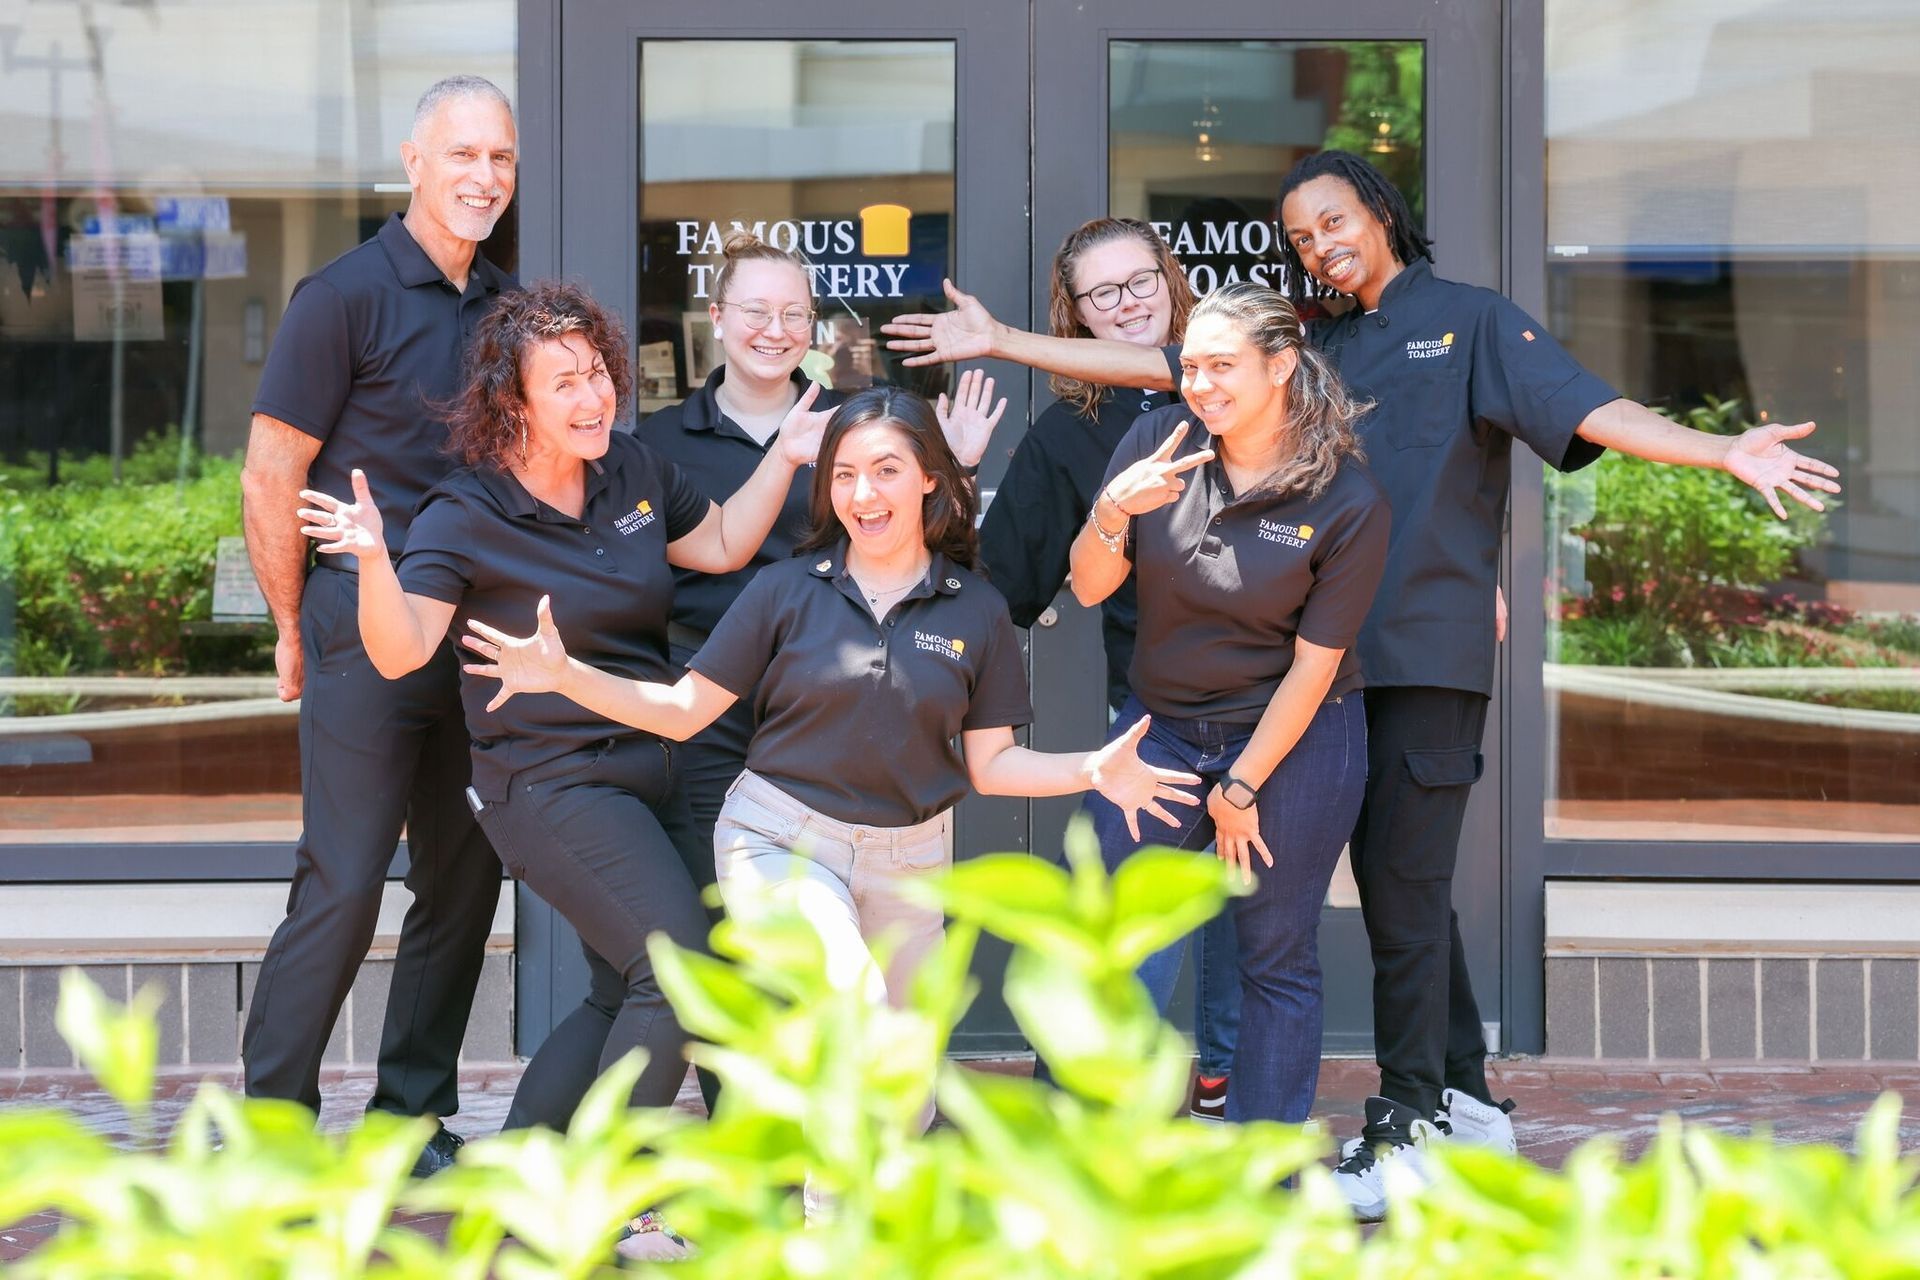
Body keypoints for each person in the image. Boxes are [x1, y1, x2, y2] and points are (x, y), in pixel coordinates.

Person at [882, 151, 1839, 1216]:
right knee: (1391, 889)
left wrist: (1718, 453)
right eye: (1298, 235)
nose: (1319, 244)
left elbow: (1589, 408)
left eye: (1332, 220)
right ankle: (1462, 1098)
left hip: (1416, 654)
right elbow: (1174, 363)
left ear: (1380, 212)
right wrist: (1006, 344)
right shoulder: (1313, 344)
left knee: (1395, 889)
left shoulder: (1474, 320)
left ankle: (1405, 1118)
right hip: (1298, 671)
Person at [458, 386, 1204, 1121]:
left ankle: (859, 1221)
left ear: (930, 480)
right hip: (781, 840)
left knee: (901, 1099)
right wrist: (563, 675)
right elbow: (683, 712)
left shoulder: (972, 607)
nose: (862, 493)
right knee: (857, 1008)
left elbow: (990, 764)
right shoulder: (786, 591)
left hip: (909, 861)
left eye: (885, 470)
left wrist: (1092, 768)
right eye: (843, 474)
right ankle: (822, 1228)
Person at [294, 280, 830, 1141]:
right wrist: (374, 561)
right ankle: (593, 1191)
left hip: (656, 761)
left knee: (641, 984)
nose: (593, 398)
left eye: (598, 373)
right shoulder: (463, 513)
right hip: (548, 783)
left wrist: (789, 455)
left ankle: (521, 1174)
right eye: (565, 383)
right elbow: (401, 651)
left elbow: (724, 543)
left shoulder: (633, 469)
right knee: (677, 973)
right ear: (515, 403)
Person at [239, 75, 519, 1174]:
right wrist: (289, 623)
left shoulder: (509, 308)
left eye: (499, 158)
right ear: (413, 161)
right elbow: (272, 473)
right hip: (361, 619)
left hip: (474, 630)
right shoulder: (341, 294)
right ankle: (272, 1128)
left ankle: (411, 1117)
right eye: (462, 155)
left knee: (463, 877)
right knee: (346, 877)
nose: (482, 177)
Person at [1067, 282, 1388, 1125]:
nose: (1200, 385)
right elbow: (1091, 585)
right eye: (1191, 367)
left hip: (1297, 741)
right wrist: (1111, 510)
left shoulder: (1345, 497)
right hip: (1162, 729)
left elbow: (1314, 670)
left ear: (1281, 366)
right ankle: (1090, 1164)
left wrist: (1240, 786)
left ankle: (1262, 1177)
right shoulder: (1158, 440)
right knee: (1109, 944)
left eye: (1223, 366)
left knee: (1273, 956)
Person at [978, 217, 1239, 1120]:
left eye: (1140, 283)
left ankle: (1227, 1092)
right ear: (1076, 316)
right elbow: (1004, 582)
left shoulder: (1247, 386)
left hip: (1290, 700)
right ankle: (1082, 1123)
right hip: (1159, 706)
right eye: (1103, 294)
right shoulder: (1067, 435)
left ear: (1171, 280)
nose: (1127, 305)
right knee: (1119, 918)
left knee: (1251, 911)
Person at [646, 231, 1005, 857]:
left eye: (793, 314)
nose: (773, 329)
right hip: (706, 695)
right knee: (723, 905)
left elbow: (938, 550)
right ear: (718, 316)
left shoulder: (860, 426)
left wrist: (961, 470)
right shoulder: (660, 439)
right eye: (756, 311)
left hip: (832, 692)